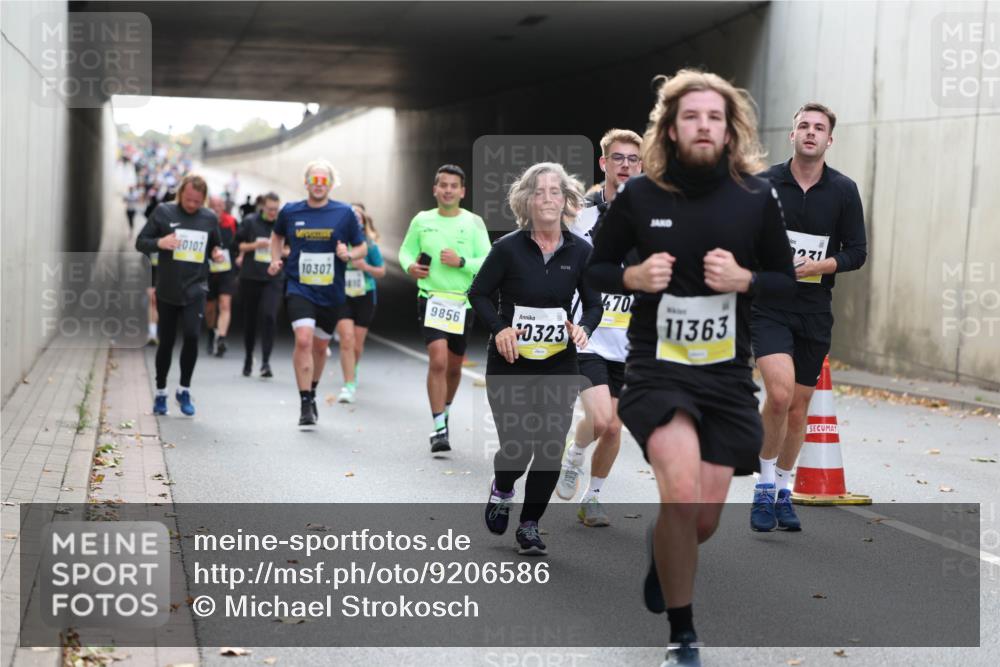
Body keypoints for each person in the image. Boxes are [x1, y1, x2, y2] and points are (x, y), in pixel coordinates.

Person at [586, 69, 795, 665]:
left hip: (727, 378)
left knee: (700, 520)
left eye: (714, 117)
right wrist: (630, 276)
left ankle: (665, 545)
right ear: (671, 130)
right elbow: (595, 269)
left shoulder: (757, 197)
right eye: (690, 117)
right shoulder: (642, 197)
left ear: (730, 131)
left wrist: (746, 279)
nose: (703, 125)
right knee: (678, 493)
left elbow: (783, 281)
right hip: (658, 370)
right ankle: (683, 636)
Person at [470, 162, 602, 556]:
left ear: (566, 200)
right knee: (518, 448)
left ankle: (529, 525)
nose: (547, 198)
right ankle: (503, 488)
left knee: (548, 447)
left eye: (555, 192)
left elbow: (594, 304)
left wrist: (584, 329)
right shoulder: (507, 248)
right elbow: (478, 294)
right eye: (539, 192)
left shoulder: (581, 251)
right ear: (527, 200)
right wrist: (500, 328)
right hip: (510, 363)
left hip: (559, 362)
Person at [749, 102, 868, 532]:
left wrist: (820, 266)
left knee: (798, 410)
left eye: (819, 128)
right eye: (804, 126)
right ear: (792, 134)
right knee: (778, 396)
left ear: (829, 139)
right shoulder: (764, 185)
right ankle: (762, 487)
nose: (811, 133)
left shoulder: (843, 190)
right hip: (770, 307)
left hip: (815, 311)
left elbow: (857, 252)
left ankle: (783, 490)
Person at [558, 128, 643, 527]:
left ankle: (593, 497)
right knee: (605, 420)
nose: (625, 165)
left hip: (631, 341)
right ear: (604, 163)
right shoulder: (581, 215)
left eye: (633, 160)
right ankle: (575, 455)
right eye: (618, 158)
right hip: (588, 334)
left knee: (612, 428)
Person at [398, 165, 491, 453]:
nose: (448, 190)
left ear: (462, 192)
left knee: (453, 367)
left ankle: (445, 411)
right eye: (444, 185)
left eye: (454, 186)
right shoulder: (422, 220)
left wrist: (462, 261)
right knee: (437, 360)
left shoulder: (474, 223)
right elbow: (405, 251)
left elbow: (488, 259)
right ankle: (439, 428)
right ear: (435, 189)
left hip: (462, 302)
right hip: (431, 298)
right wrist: (410, 266)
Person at [267, 160, 366, 427]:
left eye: (324, 181)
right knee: (303, 340)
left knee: (321, 346)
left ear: (331, 184)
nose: (318, 186)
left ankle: (312, 388)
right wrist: (276, 259)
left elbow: (362, 247)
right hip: (299, 286)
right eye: (314, 181)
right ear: (306, 183)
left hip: (331, 292)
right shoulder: (290, 211)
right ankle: (305, 402)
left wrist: (349, 254)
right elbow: (276, 237)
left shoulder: (344, 213)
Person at [136, 174, 224, 417]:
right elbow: (141, 242)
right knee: (166, 343)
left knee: (192, 336)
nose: (192, 205)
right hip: (168, 289)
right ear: (180, 193)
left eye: (197, 201)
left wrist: (216, 254)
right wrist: (160, 242)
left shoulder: (209, 217)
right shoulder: (164, 212)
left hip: (196, 288)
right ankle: (162, 391)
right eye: (188, 200)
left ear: (203, 199)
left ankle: (184, 389)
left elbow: (216, 245)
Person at [335, 203, 385, 398]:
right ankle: (348, 384)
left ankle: (352, 370)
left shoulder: (368, 245)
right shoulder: (338, 242)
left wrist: (365, 267)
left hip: (365, 295)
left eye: (359, 217)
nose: (355, 219)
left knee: (356, 343)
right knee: (346, 339)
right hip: (343, 295)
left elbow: (381, 271)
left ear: (363, 222)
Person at [236, 192, 285, 377]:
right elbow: (238, 246)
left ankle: (265, 362)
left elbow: (289, 249)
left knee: (269, 316)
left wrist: (277, 249)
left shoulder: (283, 223)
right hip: (251, 276)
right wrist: (257, 246)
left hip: (273, 279)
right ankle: (248, 357)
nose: (273, 213)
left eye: (276, 209)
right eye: (270, 209)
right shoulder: (250, 222)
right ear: (262, 207)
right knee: (250, 320)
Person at [205, 195, 239, 357]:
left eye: (220, 205)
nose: (217, 208)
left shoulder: (232, 222)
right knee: (210, 308)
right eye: (213, 205)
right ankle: (211, 331)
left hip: (227, 269)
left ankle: (221, 338)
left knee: (225, 304)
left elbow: (239, 242)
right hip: (209, 270)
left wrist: (240, 256)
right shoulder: (203, 221)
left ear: (224, 207)